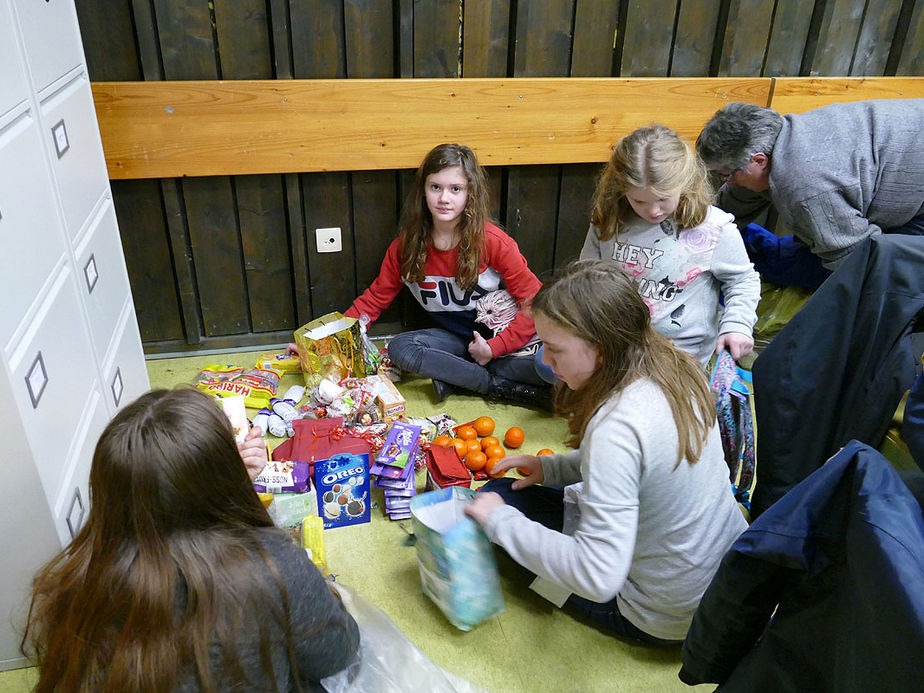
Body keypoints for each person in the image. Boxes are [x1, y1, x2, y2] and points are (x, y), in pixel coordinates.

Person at [465, 259, 748, 645]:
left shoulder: (615, 427)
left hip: (659, 615)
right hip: (723, 584)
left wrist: (499, 524)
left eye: (553, 349)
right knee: (509, 499)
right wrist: (553, 468)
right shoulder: (678, 364)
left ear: (600, 350)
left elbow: (596, 577)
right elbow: (646, 461)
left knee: (492, 506)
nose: (545, 363)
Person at [22, 388, 359, 692]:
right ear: (223, 476)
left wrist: (227, 484)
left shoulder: (82, 577)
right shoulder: (276, 564)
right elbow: (336, 653)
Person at [322, 143, 550, 408]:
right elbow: (374, 300)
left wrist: (495, 347)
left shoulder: (493, 242)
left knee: (548, 367)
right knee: (401, 349)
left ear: (470, 193)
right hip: (452, 341)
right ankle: (493, 386)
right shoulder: (406, 247)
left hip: (499, 340)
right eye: (435, 187)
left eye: (456, 189)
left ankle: (459, 377)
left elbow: (535, 300)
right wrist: (326, 344)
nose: (444, 198)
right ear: (423, 191)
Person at [577, 124, 760, 365]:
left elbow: (742, 281)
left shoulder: (715, 228)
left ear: (684, 183)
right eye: (639, 200)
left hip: (681, 355)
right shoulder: (609, 220)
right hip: (616, 343)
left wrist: (737, 324)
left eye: (664, 198)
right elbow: (587, 276)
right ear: (621, 190)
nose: (653, 211)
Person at [696, 99, 924, 283]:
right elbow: (736, 201)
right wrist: (697, 229)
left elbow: (859, 263)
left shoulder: (805, 188)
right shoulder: (777, 138)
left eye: (726, 176)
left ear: (758, 160)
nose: (729, 183)